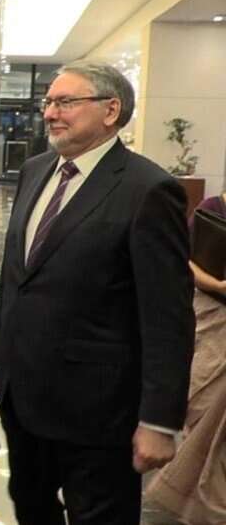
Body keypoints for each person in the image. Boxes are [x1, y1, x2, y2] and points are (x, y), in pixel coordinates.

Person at [0, 60, 195, 524]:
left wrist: (160, 420)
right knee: (31, 509)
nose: (50, 112)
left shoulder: (149, 190)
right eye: (48, 102)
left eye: (65, 102)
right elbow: (15, 279)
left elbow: (168, 318)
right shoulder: (35, 170)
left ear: (110, 110)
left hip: (99, 411)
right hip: (24, 398)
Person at [144, 192, 226, 524]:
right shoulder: (212, 209)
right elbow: (184, 262)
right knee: (201, 406)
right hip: (209, 317)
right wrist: (220, 285)